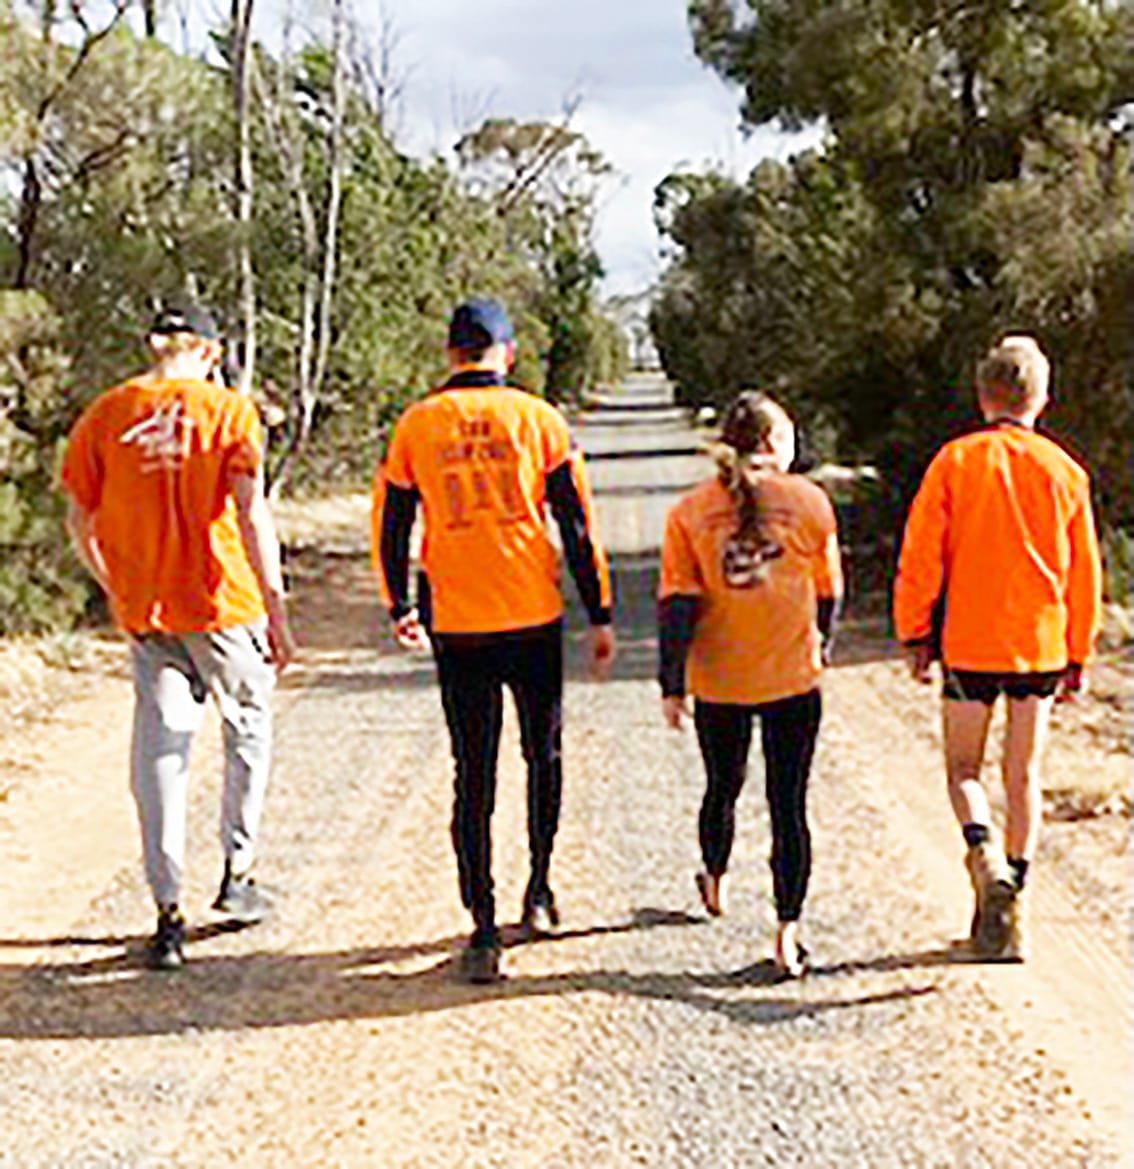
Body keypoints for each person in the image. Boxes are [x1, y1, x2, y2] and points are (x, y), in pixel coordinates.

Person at [377, 298, 615, 984]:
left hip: (458, 621)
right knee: (543, 753)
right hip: (532, 614)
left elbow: (392, 521)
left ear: (451, 354)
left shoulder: (418, 424)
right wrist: (599, 612)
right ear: (505, 354)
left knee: (471, 772)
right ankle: (538, 889)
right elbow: (577, 525)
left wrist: (398, 603)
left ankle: (482, 927)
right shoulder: (539, 420)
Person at [61, 305, 295, 970]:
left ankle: (167, 912)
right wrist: (276, 610)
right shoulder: (229, 412)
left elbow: (80, 517)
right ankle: (238, 870)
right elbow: (251, 512)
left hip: (149, 612)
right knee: (247, 728)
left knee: (161, 753)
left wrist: (113, 581)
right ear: (212, 353)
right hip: (224, 604)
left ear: (154, 347)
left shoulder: (107, 413)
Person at [893, 335, 1102, 961]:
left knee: (963, 769)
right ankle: (1015, 908)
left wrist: (915, 631)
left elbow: (921, 555)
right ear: (1043, 398)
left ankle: (981, 854)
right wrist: (1078, 651)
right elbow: (1084, 573)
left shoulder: (955, 462)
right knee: (1024, 773)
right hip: (1039, 644)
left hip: (970, 641)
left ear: (983, 396)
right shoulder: (1066, 471)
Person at [658, 392, 843, 979]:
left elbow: (678, 605)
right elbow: (829, 594)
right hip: (793, 677)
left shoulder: (689, 512)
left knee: (723, 786)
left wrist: (672, 682)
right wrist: (823, 648)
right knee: (788, 805)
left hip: (720, 679)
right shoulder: (811, 502)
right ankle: (788, 934)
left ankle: (714, 880)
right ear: (772, 444)